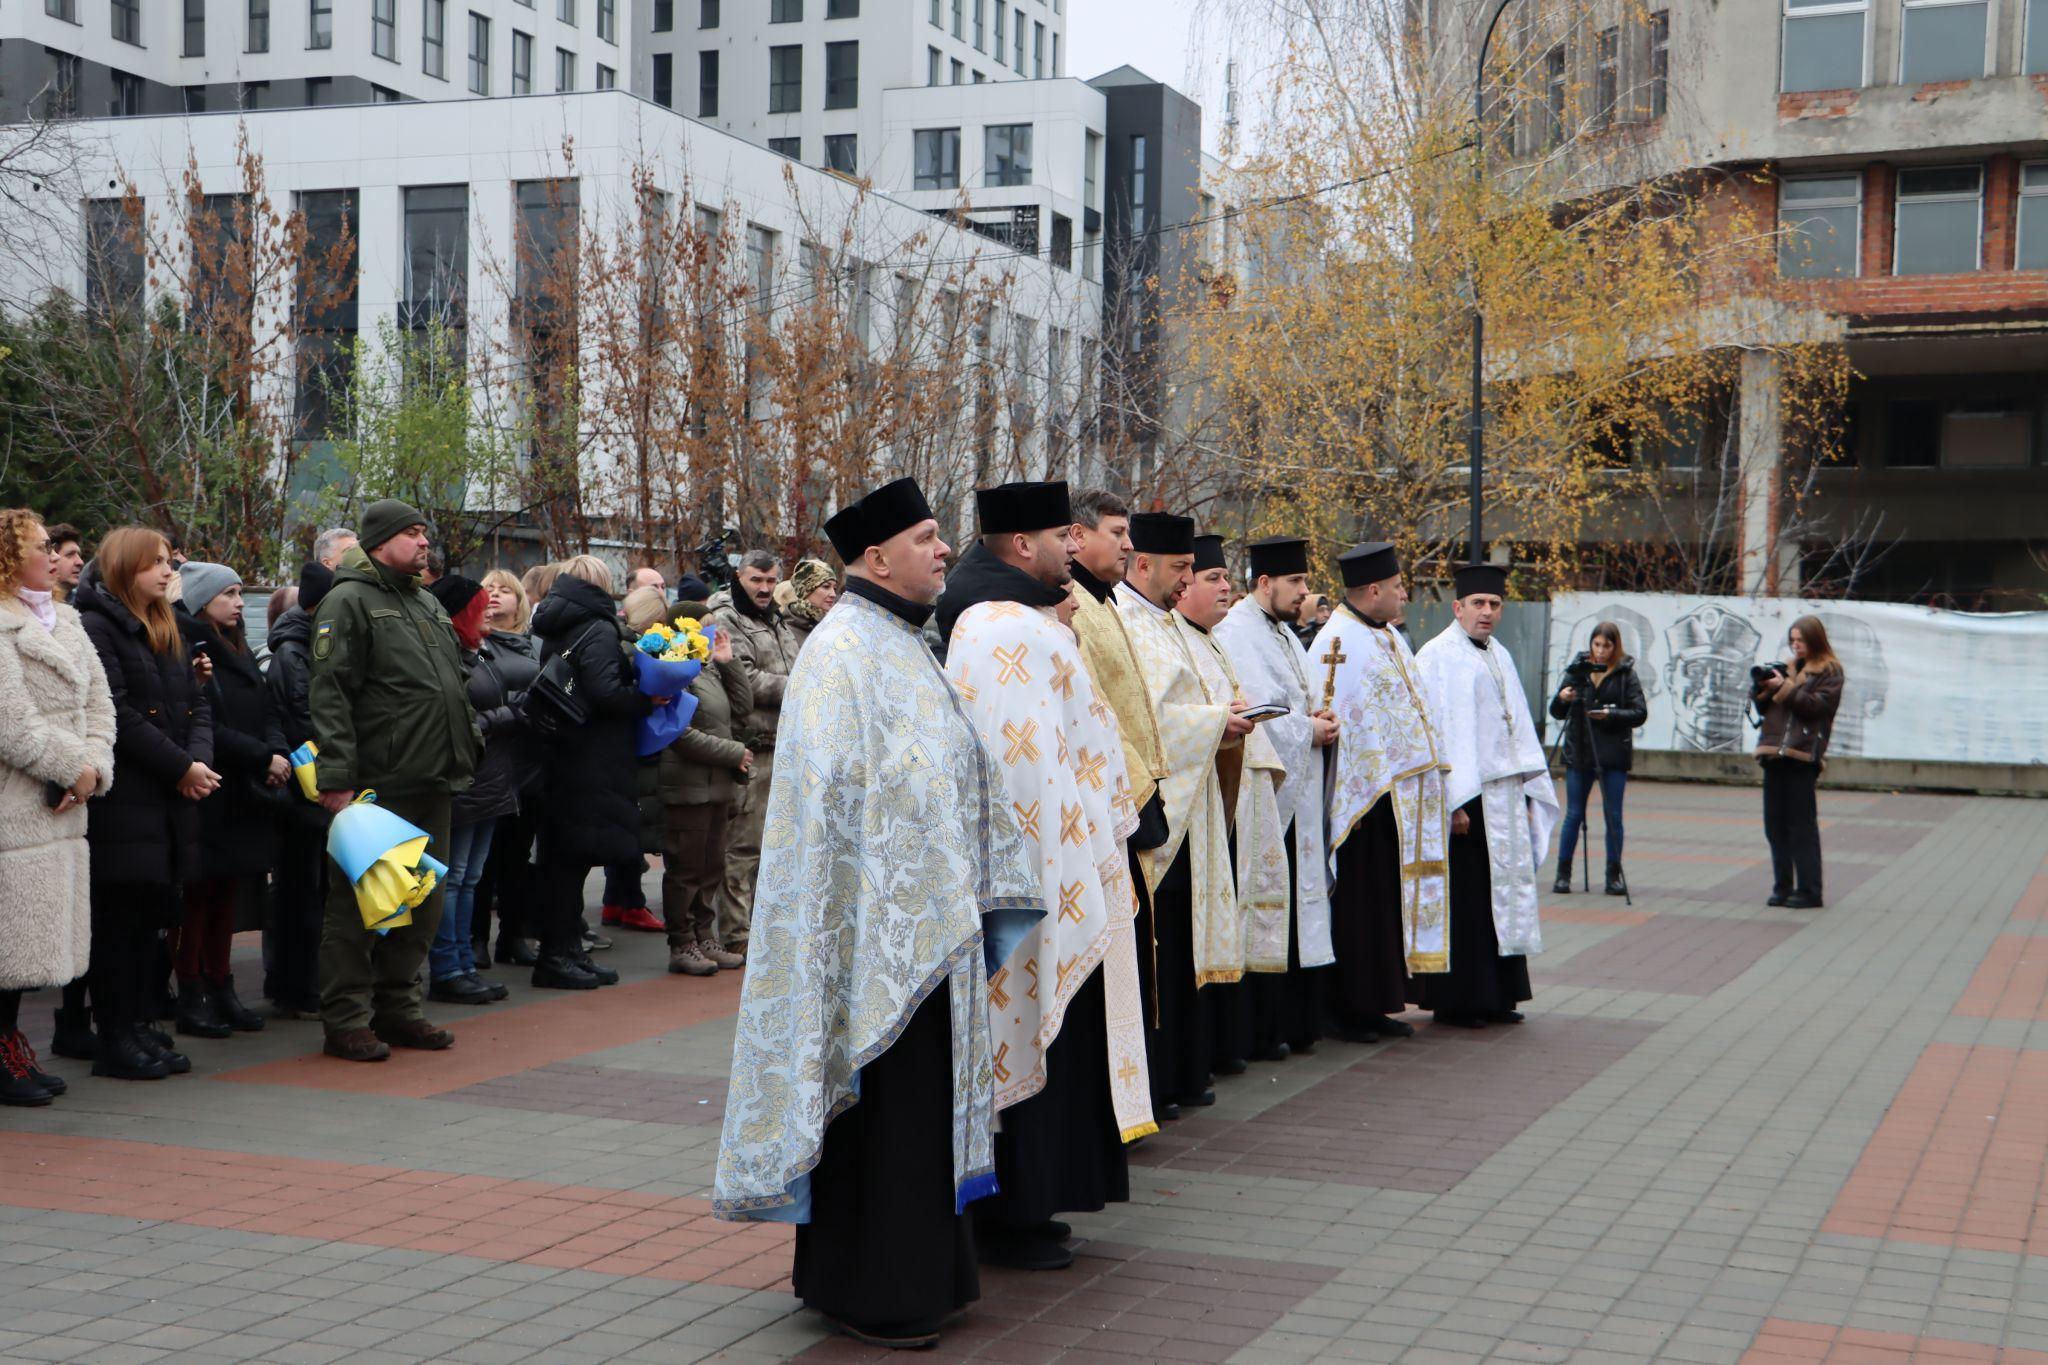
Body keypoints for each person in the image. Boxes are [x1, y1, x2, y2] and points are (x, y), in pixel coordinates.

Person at [714, 478, 1042, 1351]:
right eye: (927, 536)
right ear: (876, 557)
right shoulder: (841, 653)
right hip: (872, 941)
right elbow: (828, 813)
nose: (945, 549)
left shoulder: (903, 642)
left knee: (917, 1116)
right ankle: (874, 1288)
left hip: (930, 932)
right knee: (886, 1116)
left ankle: (918, 1276)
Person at [938, 481, 1154, 1273]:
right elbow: (1018, 768)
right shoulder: (1001, 627)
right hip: (1035, 874)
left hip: (1065, 862)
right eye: (1063, 535)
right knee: (1027, 1030)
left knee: (1054, 1036)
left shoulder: (1025, 618)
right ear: (1023, 545)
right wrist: (1057, 868)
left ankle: (1042, 1201)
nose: (1075, 546)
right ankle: (1016, 1212)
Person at [310, 500, 481, 1062]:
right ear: (380, 541)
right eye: (412, 533)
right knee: (360, 908)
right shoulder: (348, 600)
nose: (424, 542)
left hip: (434, 775)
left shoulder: (425, 600)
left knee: (421, 904)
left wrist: (469, 744)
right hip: (379, 784)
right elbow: (331, 693)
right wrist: (337, 777)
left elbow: (452, 684)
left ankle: (399, 1009)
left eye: (424, 532)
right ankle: (346, 1020)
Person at [1115, 512, 1253, 1112]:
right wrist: (1216, 721)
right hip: (1160, 813)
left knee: (1184, 943)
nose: (1188, 581)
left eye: (1192, 569)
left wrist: (1224, 716)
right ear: (1143, 563)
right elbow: (1144, 721)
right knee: (1161, 948)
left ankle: (1187, 1071)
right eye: (1181, 568)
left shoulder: (1167, 623)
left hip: (1193, 806)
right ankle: (1159, 1081)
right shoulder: (1126, 621)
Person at [77, 527, 219, 1080]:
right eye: (154, 563)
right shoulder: (97, 626)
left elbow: (195, 704)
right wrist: (180, 766)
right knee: (119, 923)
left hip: (166, 797)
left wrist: (196, 763)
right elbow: (117, 713)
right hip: (126, 801)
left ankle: (138, 1026)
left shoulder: (165, 625)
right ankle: (115, 1036)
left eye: (167, 561)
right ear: (123, 568)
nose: (167, 571)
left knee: (148, 921)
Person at [1309, 543, 1448, 1045]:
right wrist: (1356, 791)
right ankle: (1351, 1008)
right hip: (1361, 805)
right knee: (1359, 906)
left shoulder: (1386, 636)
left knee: (1384, 903)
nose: (1404, 594)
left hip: (1395, 800)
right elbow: (1333, 719)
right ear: (1373, 590)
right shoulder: (1337, 640)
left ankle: (1379, 1003)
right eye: (1397, 587)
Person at [0, 509, 114, 1105]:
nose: (53, 555)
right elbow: (11, 725)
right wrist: (77, 768)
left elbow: (100, 707)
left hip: (63, 807)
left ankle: (9, 1044)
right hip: (14, 806)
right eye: (39, 546)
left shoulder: (67, 620)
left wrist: (94, 768)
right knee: (7, 943)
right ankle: (2, 1054)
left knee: (30, 943)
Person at [1414, 564, 1558, 1029]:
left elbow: (1516, 726)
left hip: (1503, 795)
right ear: (1458, 607)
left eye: (1495, 604)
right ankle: (1460, 1001)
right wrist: (1451, 801)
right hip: (1466, 798)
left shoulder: (1499, 654)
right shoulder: (1438, 655)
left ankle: (1499, 994)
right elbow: (1436, 732)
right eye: (1478, 603)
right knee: (1469, 899)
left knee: (1503, 894)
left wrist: (1529, 790)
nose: (1487, 612)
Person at [1215, 535, 1340, 1058]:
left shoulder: (1284, 633)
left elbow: (1300, 698)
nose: (1304, 591)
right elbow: (1260, 712)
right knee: (1264, 907)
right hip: (1262, 792)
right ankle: (1259, 1031)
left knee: (1293, 904)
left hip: (1297, 789)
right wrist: (1308, 729)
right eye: (1296, 581)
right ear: (1265, 583)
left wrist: (1321, 720)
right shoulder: (1238, 631)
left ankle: (1293, 1022)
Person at [1172, 534, 1288, 1077]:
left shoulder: (1212, 640)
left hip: (1234, 792)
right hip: (1198, 803)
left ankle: (1233, 1037)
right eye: (1212, 577)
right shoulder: (1174, 637)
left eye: (1225, 577)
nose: (1225, 588)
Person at [173, 561, 287, 1039]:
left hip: (243, 791)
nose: (239, 603)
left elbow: (267, 706)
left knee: (227, 894)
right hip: (211, 788)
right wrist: (262, 756)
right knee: (198, 896)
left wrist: (276, 751)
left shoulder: (237, 645)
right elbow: (206, 723)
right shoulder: (190, 647)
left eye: (241, 593)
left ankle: (222, 985)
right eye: (229, 594)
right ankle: (192, 990)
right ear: (202, 600)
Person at [528, 556, 651, 991]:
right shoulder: (597, 627)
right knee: (569, 864)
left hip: (565, 749)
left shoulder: (558, 622)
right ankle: (557, 955)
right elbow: (606, 692)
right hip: (589, 756)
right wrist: (647, 698)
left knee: (564, 861)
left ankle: (566, 950)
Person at [424, 575, 525, 1006]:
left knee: (470, 878)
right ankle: (448, 968)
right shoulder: (445, 655)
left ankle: (464, 964)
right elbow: (454, 723)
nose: (488, 610)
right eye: (479, 605)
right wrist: (508, 715)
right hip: (466, 780)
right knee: (453, 879)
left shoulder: (477, 651)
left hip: (490, 779)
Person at [647, 587, 751, 977]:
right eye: (705, 628)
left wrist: (728, 662)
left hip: (716, 785)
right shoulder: (672, 669)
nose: (712, 635)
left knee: (711, 867)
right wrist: (733, 753)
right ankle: (682, 943)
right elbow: (679, 733)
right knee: (686, 870)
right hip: (687, 785)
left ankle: (704, 936)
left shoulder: (705, 668)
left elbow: (742, 708)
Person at [704, 551, 796, 961]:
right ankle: (736, 933)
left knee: (774, 847)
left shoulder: (774, 617)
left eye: (771, 580)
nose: (764, 588)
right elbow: (745, 678)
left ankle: (762, 929)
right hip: (752, 746)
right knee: (743, 848)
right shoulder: (728, 618)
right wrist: (802, 685)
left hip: (782, 743)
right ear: (738, 577)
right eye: (756, 579)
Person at [264, 561, 335, 1019]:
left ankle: (304, 982)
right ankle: (297, 986)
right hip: (305, 790)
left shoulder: (308, 645)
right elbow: (306, 718)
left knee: (311, 890)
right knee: (301, 893)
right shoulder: (295, 652)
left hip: (312, 787)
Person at [475, 568, 544, 968]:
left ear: (519, 600)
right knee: (482, 862)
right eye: (489, 589)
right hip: (489, 762)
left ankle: (514, 936)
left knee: (518, 858)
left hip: (529, 763)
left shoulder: (533, 644)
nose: (496, 595)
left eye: (505, 590)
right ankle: (475, 939)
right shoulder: (475, 644)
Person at [1549, 622, 1648, 896]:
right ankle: (1563, 874)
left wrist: (1611, 714)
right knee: (1573, 815)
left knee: (1613, 816)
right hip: (1580, 752)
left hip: (1613, 754)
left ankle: (1613, 875)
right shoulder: (1578, 670)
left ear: (1616, 646)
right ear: (1591, 644)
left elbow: (1639, 712)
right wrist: (1563, 697)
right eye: (1597, 645)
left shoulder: (1626, 673)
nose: (1601, 651)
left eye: (1607, 645)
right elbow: (1557, 712)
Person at [1752, 615, 1844, 910]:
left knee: (1801, 827)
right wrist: (1761, 689)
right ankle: (1782, 886)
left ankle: (1809, 890)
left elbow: (1815, 707)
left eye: (1801, 640)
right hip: (1773, 754)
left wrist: (1785, 688)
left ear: (1815, 640)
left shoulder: (1830, 671)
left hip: (1802, 755)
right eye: (1792, 640)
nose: (1796, 646)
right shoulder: (1787, 669)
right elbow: (1765, 709)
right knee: (1775, 826)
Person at [778, 558, 837, 655]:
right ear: (806, 590)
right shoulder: (785, 632)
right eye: (826, 587)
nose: (833, 594)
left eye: (835, 588)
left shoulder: (834, 624)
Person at [47, 524, 85, 603]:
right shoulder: (28, 606)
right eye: (70, 555)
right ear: (52, 558)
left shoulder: (86, 605)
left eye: (79, 555)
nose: (80, 562)